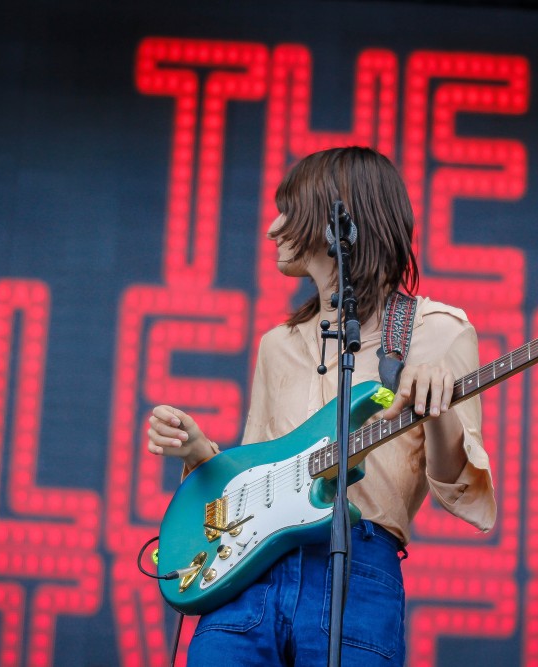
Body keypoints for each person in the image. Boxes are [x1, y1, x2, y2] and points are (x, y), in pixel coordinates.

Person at [147, 146, 496, 666]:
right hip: (250, 579)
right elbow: (260, 476)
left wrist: (438, 407)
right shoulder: (278, 344)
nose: (272, 228)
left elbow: (455, 485)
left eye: (288, 209)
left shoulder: (437, 331)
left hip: (359, 571)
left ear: (335, 218)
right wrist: (200, 454)